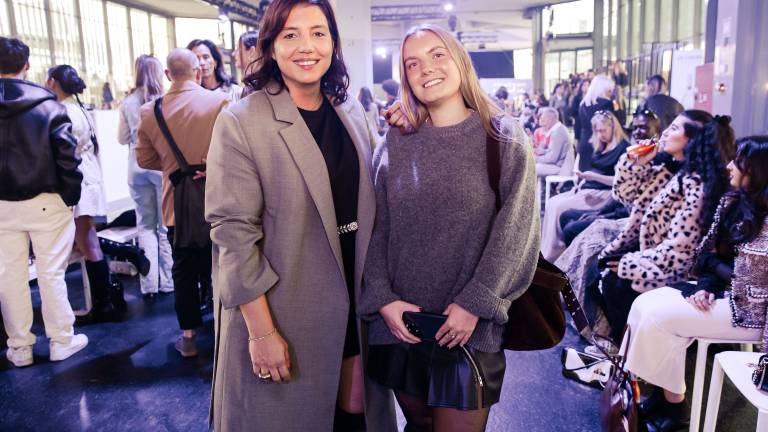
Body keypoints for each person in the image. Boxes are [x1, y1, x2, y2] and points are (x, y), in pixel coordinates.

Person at [204, 1, 394, 431]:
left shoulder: (351, 112)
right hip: (284, 310)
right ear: (271, 47)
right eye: (290, 35)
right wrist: (262, 333)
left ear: (333, 43)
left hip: (354, 304)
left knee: (355, 419)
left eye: (318, 33)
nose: (307, 46)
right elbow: (234, 237)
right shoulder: (242, 121)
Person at [359, 24, 539, 432]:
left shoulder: (503, 137)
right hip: (401, 326)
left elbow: (517, 230)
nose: (427, 68)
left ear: (459, 60)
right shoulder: (395, 142)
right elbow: (377, 229)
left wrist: (475, 303)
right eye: (413, 63)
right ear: (405, 78)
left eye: (437, 55)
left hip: (469, 328)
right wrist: (383, 299)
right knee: (419, 426)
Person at [621, 135, 768, 432]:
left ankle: (673, 407)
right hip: (722, 294)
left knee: (659, 318)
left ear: (757, 171)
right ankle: (666, 400)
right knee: (643, 305)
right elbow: (708, 256)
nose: (729, 166)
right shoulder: (733, 203)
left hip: (753, 313)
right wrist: (705, 286)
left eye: (738, 162)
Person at [597, 111, 736, 343]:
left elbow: (681, 251)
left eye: (674, 129)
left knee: (614, 280)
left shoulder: (696, 184)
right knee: (599, 265)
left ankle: (625, 350)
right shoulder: (671, 168)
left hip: (678, 267)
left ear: (691, 140)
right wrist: (635, 162)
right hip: (651, 250)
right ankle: (618, 345)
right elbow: (624, 195)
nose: (665, 133)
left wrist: (632, 264)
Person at [0, 37, 88, 367]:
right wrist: (70, 196)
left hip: (2, 206)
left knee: (9, 275)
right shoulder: (49, 106)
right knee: (51, 272)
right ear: (26, 66)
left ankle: (19, 348)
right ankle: (61, 340)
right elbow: (67, 157)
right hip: (47, 200)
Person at [136, 48, 229, 357]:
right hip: (217, 200)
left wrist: (173, 166)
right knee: (223, 266)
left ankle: (188, 336)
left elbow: (144, 158)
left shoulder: (151, 111)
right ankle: (226, 331)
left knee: (184, 270)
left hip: (176, 204)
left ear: (167, 75)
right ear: (198, 72)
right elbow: (236, 150)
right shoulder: (220, 102)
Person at [47, 65, 130, 321]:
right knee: (87, 238)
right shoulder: (79, 108)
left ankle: (103, 304)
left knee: (86, 241)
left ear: (53, 82)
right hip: (88, 175)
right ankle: (106, 299)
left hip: (77, 179)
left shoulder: (63, 111)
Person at [558, 109, 661, 245]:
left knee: (568, 224)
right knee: (565, 215)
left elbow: (631, 207)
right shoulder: (634, 154)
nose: (637, 132)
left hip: (626, 218)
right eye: (635, 127)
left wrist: (601, 215)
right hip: (610, 204)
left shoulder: (653, 160)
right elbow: (619, 195)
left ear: (656, 131)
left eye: (643, 127)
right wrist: (599, 212)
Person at [118, 55, 174, 300]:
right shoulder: (166, 100)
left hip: (136, 166)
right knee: (164, 227)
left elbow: (121, 138)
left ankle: (149, 284)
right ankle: (168, 282)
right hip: (160, 166)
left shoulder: (128, 102)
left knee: (145, 226)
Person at [541, 111, 629, 262]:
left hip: (603, 194)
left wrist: (593, 177)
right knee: (552, 202)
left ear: (613, 127)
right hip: (588, 188)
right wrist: (581, 183)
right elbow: (595, 170)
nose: (600, 135)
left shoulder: (623, 149)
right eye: (597, 131)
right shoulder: (602, 146)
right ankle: (546, 250)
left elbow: (620, 181)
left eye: (603, 130)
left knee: (559, 207)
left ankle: (554, 254)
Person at [577, 74, 616, 171]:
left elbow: (579, 125)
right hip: (601, 143)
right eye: (609, 90)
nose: (611, 93)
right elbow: (611, 126)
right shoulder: (606, 103)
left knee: (585, 174)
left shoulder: (583, 104)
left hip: (584, 142)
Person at [534, 107, 571, 198]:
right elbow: (553, 152)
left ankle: (533, 197)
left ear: (551, 119)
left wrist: (536, 159)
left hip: (560, 168)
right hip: (558, 165)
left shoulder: (558, 132)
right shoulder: (558, 130)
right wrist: (543, 151)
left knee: (531, 166)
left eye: (544, 119)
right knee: (533, 165)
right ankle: (540, 195)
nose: (543, 123)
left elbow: (552, 158)